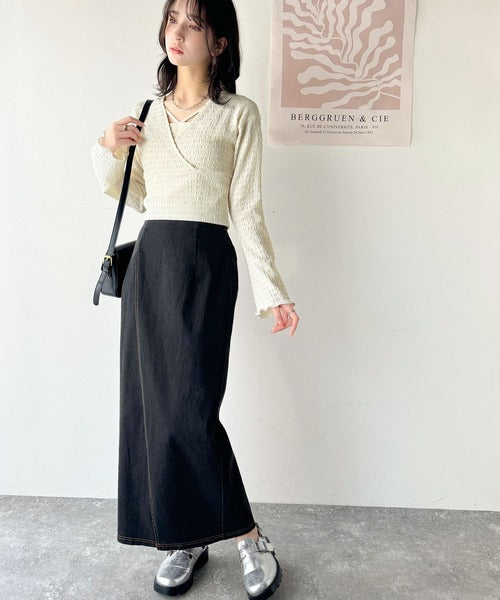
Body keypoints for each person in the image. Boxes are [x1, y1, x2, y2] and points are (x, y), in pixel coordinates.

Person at [90, 0, 300, 597]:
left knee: (191, 409)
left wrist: (273, 292)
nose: (176, 32)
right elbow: (133, 195)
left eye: (193, 23)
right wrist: (106, 146)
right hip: (152, 264)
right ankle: (185, 537)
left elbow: (247, 211)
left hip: (206, 264)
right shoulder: (146, 114)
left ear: (221, 42)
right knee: (153, 409)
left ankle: (248, 536)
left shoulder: (239, 115)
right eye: (172, 19)